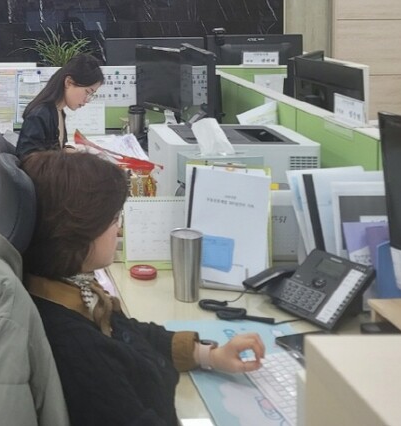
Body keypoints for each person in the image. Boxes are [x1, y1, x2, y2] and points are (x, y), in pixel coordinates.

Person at [21, 149, 265, 426]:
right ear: (78, 233)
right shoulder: (81, 352)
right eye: (114, 219)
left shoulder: (63, 289)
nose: (118, 229)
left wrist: (209, 355)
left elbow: (128, 332)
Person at [16, 53, 103, 158]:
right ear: (68, 82)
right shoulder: (40, 115)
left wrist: (68, 151)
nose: (87, 100)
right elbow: (29, 159)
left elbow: (55, 148)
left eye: (91, 94)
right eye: (87, 92)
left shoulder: (59, 111)